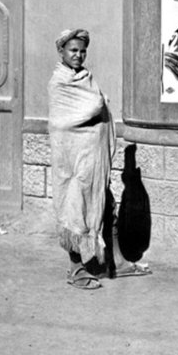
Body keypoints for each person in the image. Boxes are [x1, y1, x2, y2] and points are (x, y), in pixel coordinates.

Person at [48, 29, 115, 290]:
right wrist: (97, 104)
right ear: (62, 52)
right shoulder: (59, 82)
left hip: (92, 158)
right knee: (74, 209)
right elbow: (65, 120)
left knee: (102, 204)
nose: (78, 55)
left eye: (82, 50)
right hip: (72, 160)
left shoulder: (86, 77)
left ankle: (113, 260)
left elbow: (97, 104)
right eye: (73, 50)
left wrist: (98, 104)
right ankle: (76, 269)